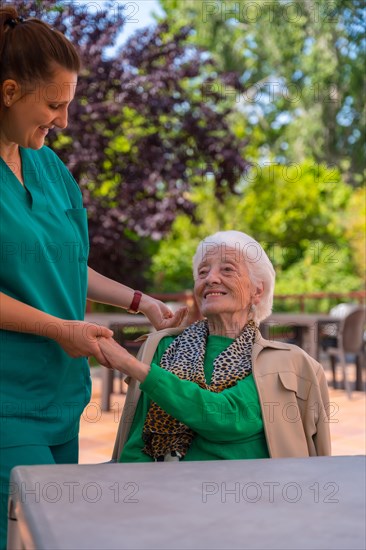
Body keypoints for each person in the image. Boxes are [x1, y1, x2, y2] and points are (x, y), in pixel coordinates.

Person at [0, 7, 186, 547]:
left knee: (54, 535)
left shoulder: (49, 168)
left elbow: (62, 264)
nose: (63, 121)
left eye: (69, 105)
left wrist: (139, 301)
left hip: (61, 397)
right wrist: (62, 330)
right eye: (54, 105)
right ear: (9, 91)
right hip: (8, 402)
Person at [99, 230, 332, 464]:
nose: (210, 278)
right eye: (203, 272)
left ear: (257, 291)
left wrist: (131, 365)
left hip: (253, 494)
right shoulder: (165, 346)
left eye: (227, 269)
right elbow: (139, 444)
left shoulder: (279, 361)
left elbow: (226, 417)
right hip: (170, 491)